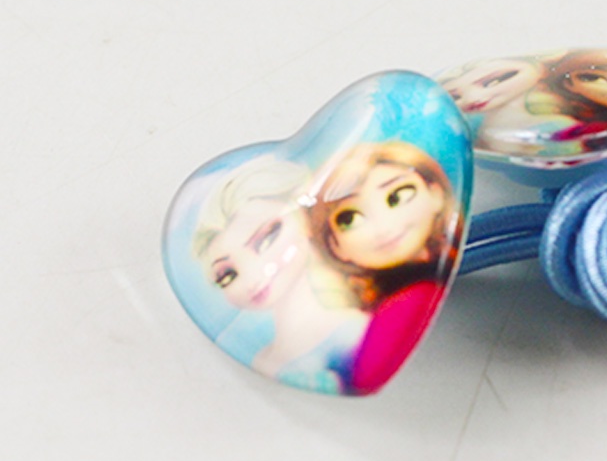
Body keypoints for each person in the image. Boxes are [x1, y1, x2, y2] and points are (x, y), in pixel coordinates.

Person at [193, 157, 368, 392]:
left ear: (304, 214)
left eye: (266, 239)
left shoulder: (359, 326)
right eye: (228, 275)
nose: (254, 277)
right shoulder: (260, 356)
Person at [309, 142, 463, 393]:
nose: (383, 227)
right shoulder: (389, 307)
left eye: (397, 196)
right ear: (334, 245)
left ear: (435, 193)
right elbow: (365, 375)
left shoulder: (417, 293)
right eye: (350, 218)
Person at [437, 55, 574, 155]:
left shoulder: (556, 126)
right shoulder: (467, 127)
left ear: (541, 71)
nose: (472, 98)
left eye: (494, 81)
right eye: (455, 97)